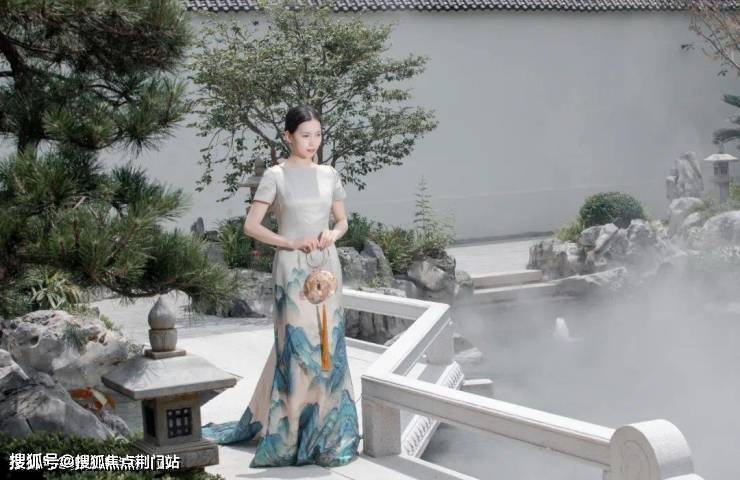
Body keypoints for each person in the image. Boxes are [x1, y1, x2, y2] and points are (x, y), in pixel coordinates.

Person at [201, 105, 361, 468]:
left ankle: (326, 430)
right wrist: (289, 242)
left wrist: (333, 233)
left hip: (327, 266)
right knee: (296, 347)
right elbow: (251, 226)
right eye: (305, 135)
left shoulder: (329, 174)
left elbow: (342, 221)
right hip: (292, 269)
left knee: (328, 345)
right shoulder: (276, 176)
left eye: (318, 135)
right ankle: (289, 433)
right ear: (288, 137)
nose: (313, 142)